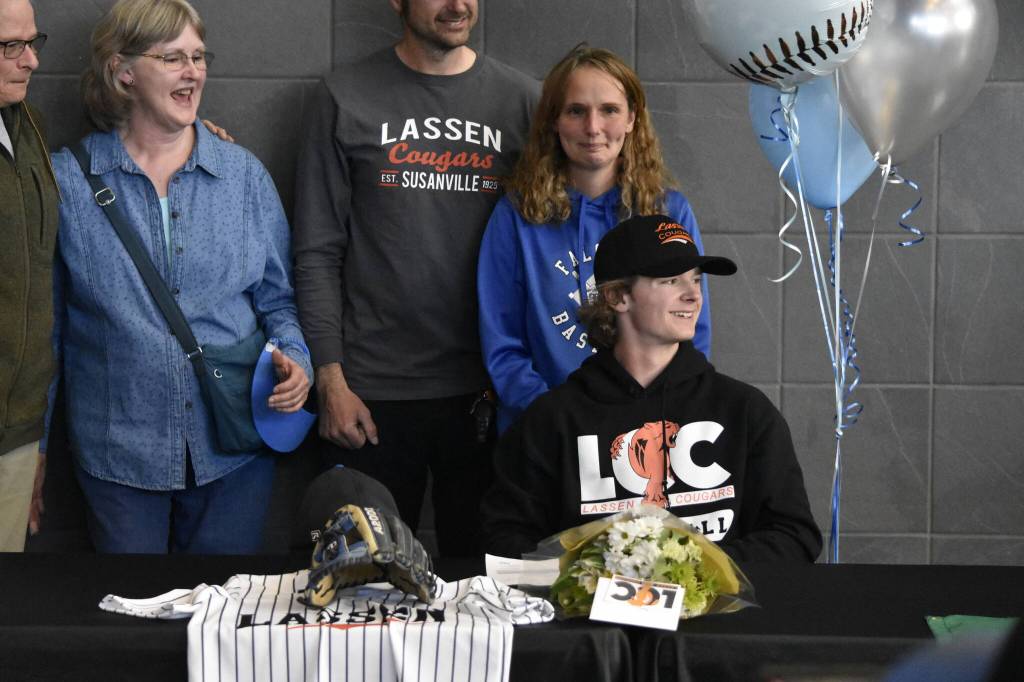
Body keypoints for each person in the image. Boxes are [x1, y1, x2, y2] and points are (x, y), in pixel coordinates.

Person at [49, 0, 311, 553]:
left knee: (221, 620)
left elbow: (279, 302)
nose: (193, 72)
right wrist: (35, 452)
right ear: (123, 71)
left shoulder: (242, 176)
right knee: (128, 626)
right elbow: (45, 332)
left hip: (233, 449)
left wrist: (298, 364)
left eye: (198, 56)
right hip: (117, 452)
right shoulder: (67, 182)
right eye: (172, 58)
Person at [292, 0, 537, 556]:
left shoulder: (523, 102)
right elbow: (316, 252)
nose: (458, 5)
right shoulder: (342, 97)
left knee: (481, 593)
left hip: (488, 393)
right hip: (372, 397)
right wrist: (330, 381)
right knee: (366, 594)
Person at [481, 214, 822, 564]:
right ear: (617, 296)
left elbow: (795, 536)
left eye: (696, 280)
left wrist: (688, 567)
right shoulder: (553, 419)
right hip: (592, 617)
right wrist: (595, 572)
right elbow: (505, 537)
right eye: (671, 280)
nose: (692, 296)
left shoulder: (744, 411)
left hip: (717, 616)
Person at [477, 45, 713, 433]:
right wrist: (557, 417)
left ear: (632, 119)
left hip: (644, 433)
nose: (593, 128)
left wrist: (648, 420)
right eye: (576, 111)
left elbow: (692, 331)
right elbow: (502, 343)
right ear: (554, 121)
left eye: (609, 110)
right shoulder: (517, 215)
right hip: (544, 431)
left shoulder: (668, 212)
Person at [0, 0, 55, 551]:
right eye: (10, 47)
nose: (31, 61)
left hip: (17, 428)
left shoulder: (28, 124)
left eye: (32, 42)